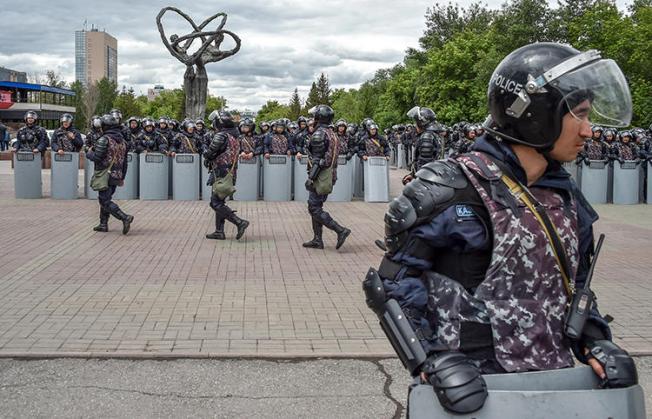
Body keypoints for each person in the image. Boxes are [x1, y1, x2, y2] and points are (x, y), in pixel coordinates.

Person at [363, 42, 637, 415]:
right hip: (470, 390)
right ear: (537, 116)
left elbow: (574, 285)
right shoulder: (450, 190)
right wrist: (430, 360)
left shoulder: (565, 197)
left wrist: (593, 340)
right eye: (580, 115)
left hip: (553, 387)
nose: (589, 131)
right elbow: (390, 285)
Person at [302, 105, 351, 250]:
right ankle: (317, 239)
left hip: (320, 176)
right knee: (317, 206)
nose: (313, 119)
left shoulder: (319, 134)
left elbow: (319, 160)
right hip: (330, 175)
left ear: (319, 118)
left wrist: (311, 178)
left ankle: (340, 230)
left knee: (314, 208)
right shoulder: (332, 133)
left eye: (315, 116)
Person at [204, 109, 249, 240]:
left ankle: (239, 222)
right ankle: (219, 231)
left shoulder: (221, 135)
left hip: (221, 171)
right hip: (230, 172)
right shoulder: (235, 135)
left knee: (215, 202)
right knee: (220, 201)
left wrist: (205, 153)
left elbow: (211, 152)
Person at [86, 114, 133, 234]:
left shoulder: (104, 139)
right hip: (117, 174)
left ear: (105, 126)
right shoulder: (123, 141)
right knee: (106, 198)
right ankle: (103, 224)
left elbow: (97, 157)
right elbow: (125, 162)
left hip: (105, 174)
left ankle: (124, 217)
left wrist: (88, 152)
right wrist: (122, 176)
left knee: (104, 201)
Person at [403, 106, 441, 185]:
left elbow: (425, 164)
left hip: (427, 180)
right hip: (431, 177)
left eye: (416, 121)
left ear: (422, 122)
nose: (415, 124)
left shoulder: (426, 136)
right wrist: (413, 174)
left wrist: (418, 179)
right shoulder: (432, 134)